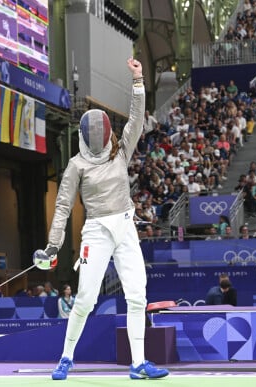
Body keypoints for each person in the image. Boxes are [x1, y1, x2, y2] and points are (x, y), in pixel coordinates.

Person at [45, 58, 168, 380]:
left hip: (125, 226)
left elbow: (137, 121)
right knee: (84, 298)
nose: (100, 141)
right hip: (96, 231)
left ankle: (138, 363)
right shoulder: (76, 165)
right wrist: (52, 245)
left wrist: (138, 81)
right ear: (85, 137)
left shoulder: (120, 152)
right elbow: (62, 206)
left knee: (137, 294)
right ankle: (65, 358)